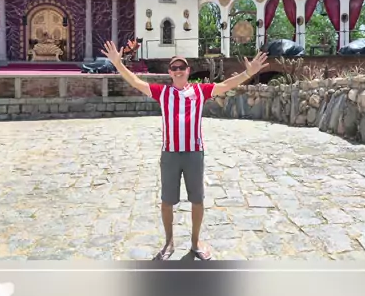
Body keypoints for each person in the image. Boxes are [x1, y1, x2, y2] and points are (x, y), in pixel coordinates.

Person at [100, 41, 268, 261]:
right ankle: (169, 242)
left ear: (188, 71)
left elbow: (226, 85)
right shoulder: (163, 92)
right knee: (167, 201)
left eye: (182, 67)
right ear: (170, 72)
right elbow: (135, 81)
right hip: (170, 154)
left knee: (197, 200)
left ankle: (195, 242)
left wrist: (248, 73)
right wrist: (118, 64)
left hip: (193, 153)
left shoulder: (199, 91)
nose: (178, 70)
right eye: (174, 68)